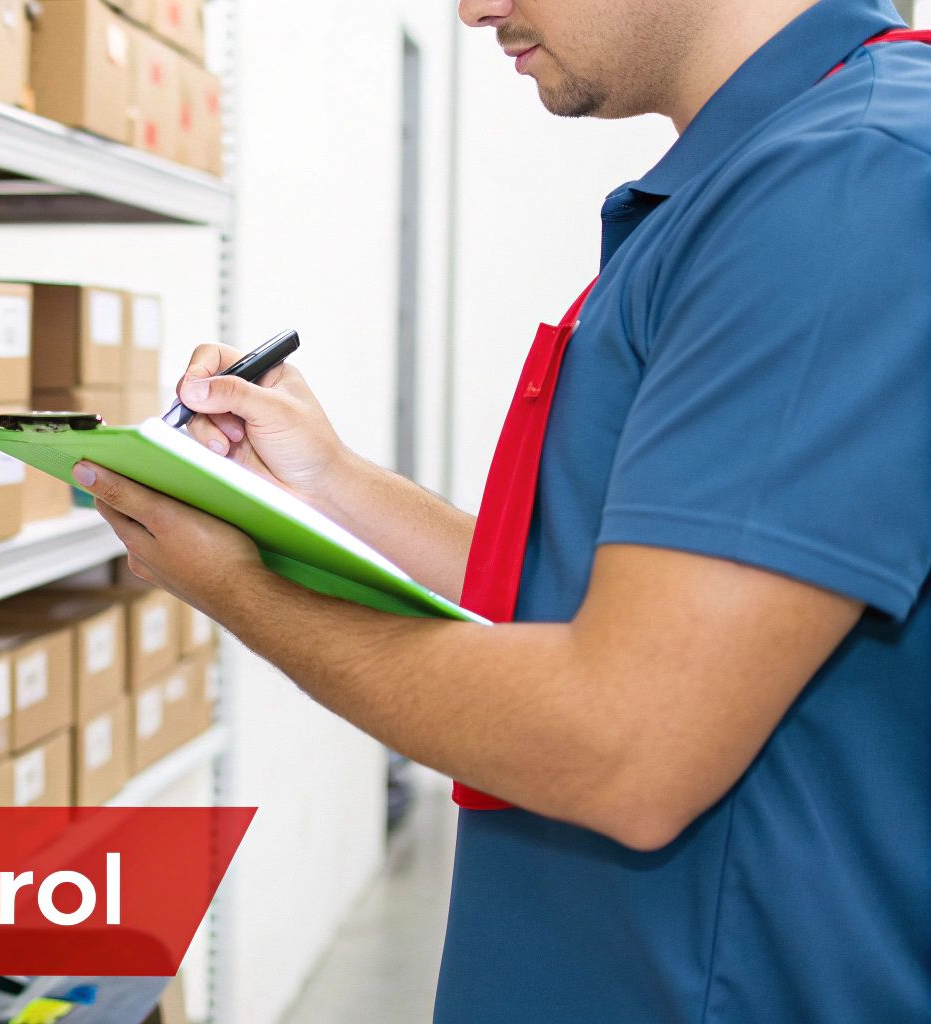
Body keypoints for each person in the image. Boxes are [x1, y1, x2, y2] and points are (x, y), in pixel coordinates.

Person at [73, 0, 931, 1020]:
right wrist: (329, 481)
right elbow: (597, 597)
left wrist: (233, 586)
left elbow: (622, 746)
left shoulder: (847, 183)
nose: (471, 6)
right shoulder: (757, 176)